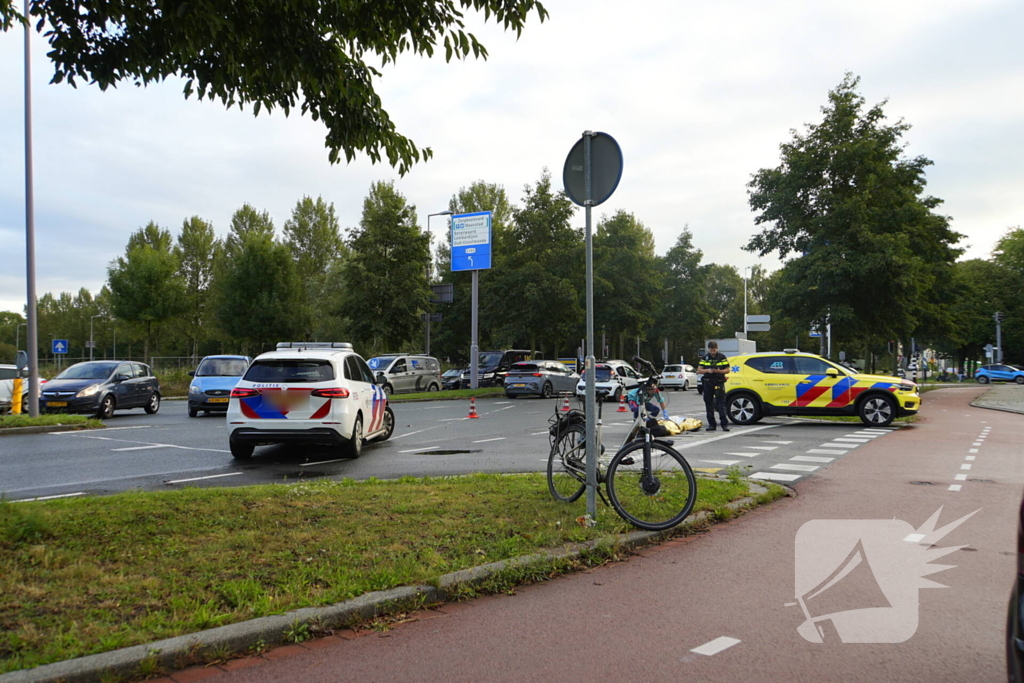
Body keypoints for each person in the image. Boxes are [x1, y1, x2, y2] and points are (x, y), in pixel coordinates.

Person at [698, 341, 730, 431]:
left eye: (714, 350)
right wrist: (708, 370)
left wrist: (718, 371)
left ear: (717, 349)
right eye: (712, 350)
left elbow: (727, 370)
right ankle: (712, 424)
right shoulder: (705, 357)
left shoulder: (721, 357)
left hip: (719, 382)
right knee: (709, 404)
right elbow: (699, 370)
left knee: (721, 404)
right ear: (709, 349)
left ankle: (724, 424)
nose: (713, 352)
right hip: (708, 382)